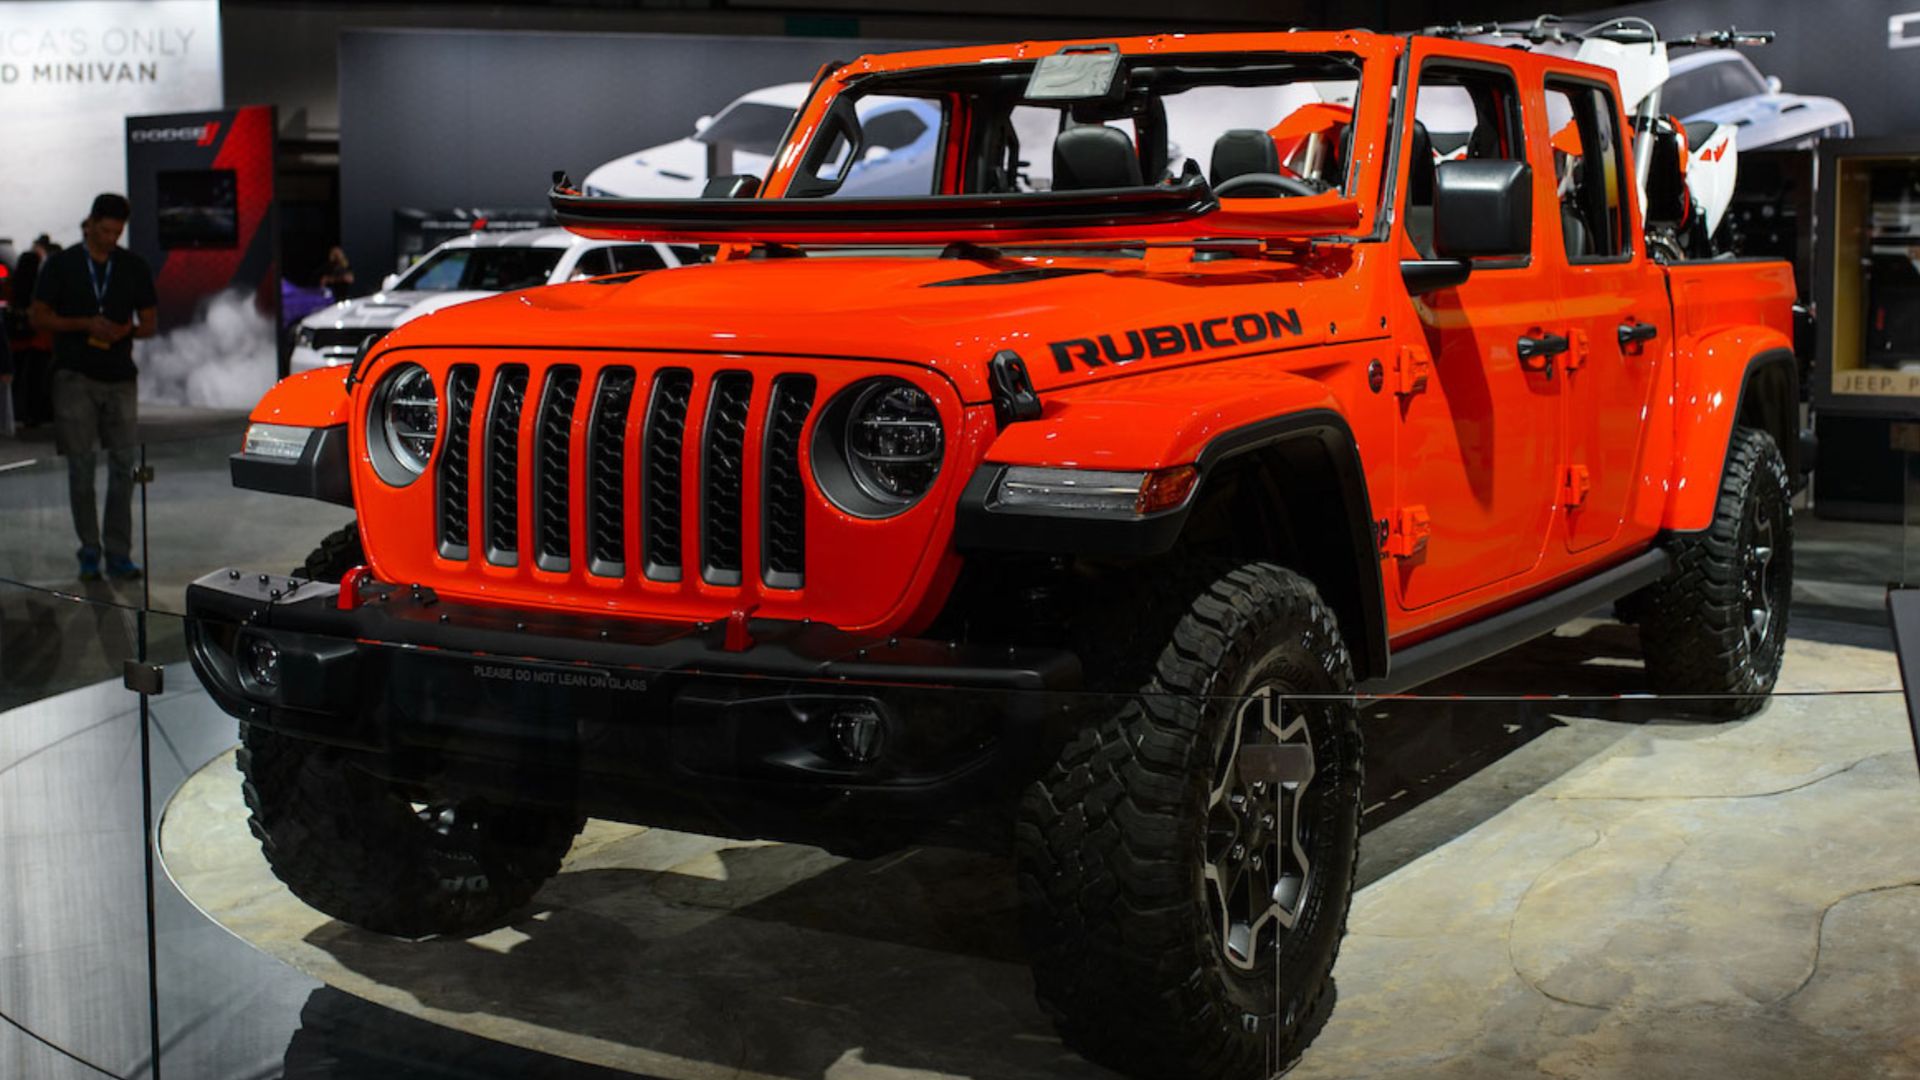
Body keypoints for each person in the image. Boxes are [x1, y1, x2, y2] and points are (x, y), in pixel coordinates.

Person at [31, 195, 157, 582]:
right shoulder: (62, 264)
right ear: (90, 224)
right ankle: (89, 548)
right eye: (105, 231)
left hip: (120, 377)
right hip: (75, 377)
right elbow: (39, 316)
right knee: (80, 467)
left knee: (124, 467)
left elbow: (150, 322)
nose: (111, 238)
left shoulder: (132, 266)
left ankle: (118, 552)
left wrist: (127, 330)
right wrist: (85, 324)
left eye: (118, 232)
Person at [6, 236, 56, 427]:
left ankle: (18, 413)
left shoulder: (13, 286)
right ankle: (36, 413)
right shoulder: (41, 287)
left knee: (18, 380)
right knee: (37, 381)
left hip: (17, 342)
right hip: (39, 340)